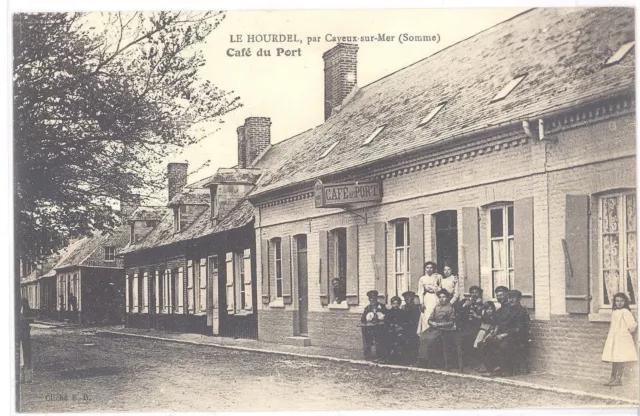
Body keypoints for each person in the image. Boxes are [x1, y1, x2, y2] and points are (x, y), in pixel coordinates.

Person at [484, 289, 530, 376]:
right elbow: (502, 323)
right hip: (507, 335)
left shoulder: (521, 311)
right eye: (509, 298)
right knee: (488, 342)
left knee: (503, 345)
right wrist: (495, 332)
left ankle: (507, 370)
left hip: (518, 337)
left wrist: (503, 335)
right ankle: (495, 368)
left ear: (519, 299)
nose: (511, 300)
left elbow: (519, 328)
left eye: (514, 298)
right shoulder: (508, 310)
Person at [602, 292, 638, 386]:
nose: (619, 303)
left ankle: (618, 379)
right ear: (614, 302)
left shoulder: (626, 312)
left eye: (622, 301)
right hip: (615, 338)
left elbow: (632, 325)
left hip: (623, 338)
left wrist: (625, 332)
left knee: (621, 358)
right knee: (615, 358)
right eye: (617, 301)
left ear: (625, 302)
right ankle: (612, 378)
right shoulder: (614, 312)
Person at [419, 289, 457, 369]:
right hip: (433, 328)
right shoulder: (436, 307)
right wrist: (431, 323)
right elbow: (430, 318)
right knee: (422, 337)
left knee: (431, 339)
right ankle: (423, 361)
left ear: (447, 298)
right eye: (440, 297)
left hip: (443, 330)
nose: (442, 299)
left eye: (444, 297)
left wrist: (440, 324)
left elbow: (451, 322)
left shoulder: (450, 308)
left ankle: (432, 362)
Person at [455, 285, 484, 367]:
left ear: (479, 294)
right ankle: (463, 363)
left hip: (476, 328)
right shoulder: (464, 301)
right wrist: (465, 306)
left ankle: (474, 363)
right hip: (464, 327)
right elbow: (457, 312)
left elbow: (483, 318)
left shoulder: (482, 304)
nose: (474, 295)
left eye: (476, 293)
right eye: (472, 293)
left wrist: (478, 306)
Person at [360, 290, 387, 360]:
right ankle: (368, 355)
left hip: (380, 328)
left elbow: (387, 317)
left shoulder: (382, 307)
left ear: (376, 298)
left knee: (380, 340)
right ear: (369, 299)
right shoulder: (367, 308)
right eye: (371, 299)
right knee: (367, 338)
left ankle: (380, 356)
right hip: (370, 328)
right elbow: (362, 319)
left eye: (374, 298)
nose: (373, 300)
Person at [417, 261, 442, 335]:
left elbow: (441, 288)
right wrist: (421, 303)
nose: (429, 269)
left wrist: (435, 289)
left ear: (434, 269)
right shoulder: (422, 278)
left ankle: (436, 333)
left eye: (431, 268)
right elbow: (420, 291)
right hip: (427, 298)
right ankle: (426, 333)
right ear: (425, 269)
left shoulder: (438, 277)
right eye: (427, 268)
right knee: (426, 315)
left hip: (435, 297)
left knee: (435, 314)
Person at [382, 296, 407, 363]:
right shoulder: (389, 312)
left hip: (399, 331)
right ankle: (388, 356)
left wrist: (400, 327)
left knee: (400, 339)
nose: (395, 305)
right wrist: (391, 326)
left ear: (399, 304)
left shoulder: (402, 313)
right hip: (390, 330)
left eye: (397, 303)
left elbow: (404, 322)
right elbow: (386, 321)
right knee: (388, 338)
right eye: (394, 303)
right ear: (391, 304)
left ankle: (397, 357)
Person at [474, 301, 497, 373]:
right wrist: (482, 308)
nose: (489, 311)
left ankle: (486, 366)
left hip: (489, 333)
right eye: (487, 309)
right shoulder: (484, 316)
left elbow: (494, 326)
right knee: (479, 348)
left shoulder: (493, 317)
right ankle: (481, 364)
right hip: (482, 332)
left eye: (491, 309)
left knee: (484, 348)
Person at [401, 290, 421, 365]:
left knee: (411, 342)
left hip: (412, 329)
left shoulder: (415, 308)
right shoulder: (403, 308)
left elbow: (415, 321)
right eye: (406, 298)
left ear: (412, 298)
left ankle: (412, 360)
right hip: (404, 329)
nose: (407, 300)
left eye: (409, 298)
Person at [19, 297, 34, 383]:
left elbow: (31, 319)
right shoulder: (21, 311)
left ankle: (27, 377)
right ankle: (25, 376)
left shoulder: (26, 311)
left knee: (25, 354)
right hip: (23, 334)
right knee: (24, 354)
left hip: (24, 334)